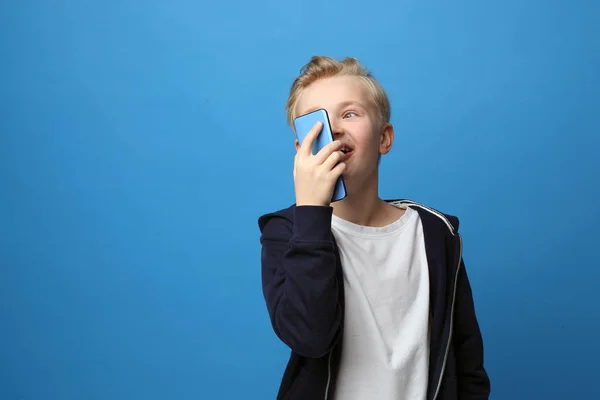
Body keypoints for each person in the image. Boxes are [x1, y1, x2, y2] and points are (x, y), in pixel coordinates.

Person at [258, 55, 490, 400]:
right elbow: (310, 335)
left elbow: (466, 358)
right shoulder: (287, 231)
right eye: (316, 121)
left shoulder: (435, 233)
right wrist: (311, 210)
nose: (334, 129)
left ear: (384, 138)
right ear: (300, 151)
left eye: (349, 114)